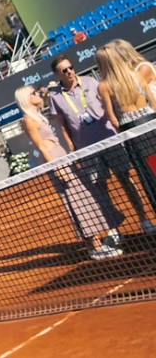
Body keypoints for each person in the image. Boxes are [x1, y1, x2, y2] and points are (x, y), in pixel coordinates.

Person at [48, 54, 156, 239]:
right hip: (86, 147)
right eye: (64, 70)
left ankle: (144, 219)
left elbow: (109, 105)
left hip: (109, 139)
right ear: (57, 74)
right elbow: (62, 124)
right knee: (100, 187)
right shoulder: (55, 96)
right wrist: (71, 144)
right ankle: (113, 229)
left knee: (126, 179)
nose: (69, 72)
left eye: (71, 67)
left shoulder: (91, 82)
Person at [14, 86, 122, 259]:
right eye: (33, 93)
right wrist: (57, 168)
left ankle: (95, 244)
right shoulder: (29, 120)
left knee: (84, 198)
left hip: (61, 156)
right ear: (26, 99)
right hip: (55, 160)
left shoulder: (37, 115)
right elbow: (41, 147)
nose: (37, 94)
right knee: (76, 202)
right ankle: (95, 247)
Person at [96, 44, 156, 132]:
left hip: (129, 126)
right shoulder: (136, 75)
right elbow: (153, 102)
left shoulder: (103, 86)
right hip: (150, 118)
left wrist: (121, 132)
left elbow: (112, 119)